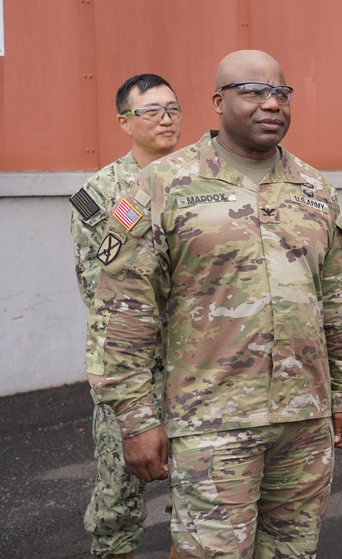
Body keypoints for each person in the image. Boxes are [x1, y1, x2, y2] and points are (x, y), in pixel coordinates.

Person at [86, 50, 342, 557]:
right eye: (253, 92)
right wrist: (135, 417)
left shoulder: (315, 189)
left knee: (293, 552)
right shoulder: (160, 185)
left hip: (303, 423)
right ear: (218, 101)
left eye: (282, 94)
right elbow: (122, 310)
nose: (271, 104)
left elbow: (341, 301)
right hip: (212, 422)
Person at [69, 73, 182, 559]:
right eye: (151, 110)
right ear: (124, 122)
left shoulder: (201, 181)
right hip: (128, 363)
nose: (166, 118)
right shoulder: (101, 194)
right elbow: (99, 287)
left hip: (195, 363)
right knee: (119, 495)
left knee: (202, 496)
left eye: (173, 108)